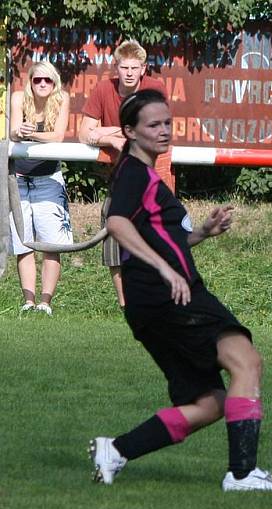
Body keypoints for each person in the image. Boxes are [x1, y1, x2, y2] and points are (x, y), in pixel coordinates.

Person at [89, 89, 272, 492]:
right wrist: (165, 269)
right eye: (153, 125)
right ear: (130, 131)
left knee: (210, 402)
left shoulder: (145, 174)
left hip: (153, 303)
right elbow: (118, 223)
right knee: (246, 361)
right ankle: (243, 475)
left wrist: (201, 234)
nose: (164, 131)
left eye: (167, 123)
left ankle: (117, 450)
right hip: (169, 296)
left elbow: (163, 239)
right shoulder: (135, 173)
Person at [79, 39, 169, 308]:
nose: (129, 72)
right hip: (118, 179)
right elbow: (84, 133)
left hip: (153, 178)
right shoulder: (103, 89)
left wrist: (104, 130)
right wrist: (112, 138)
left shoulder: (155, 88)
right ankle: (125, 304)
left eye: (134, 67)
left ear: (143, 69)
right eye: (124, 67)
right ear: (116, 68)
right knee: (113, 239)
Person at [8, 61, 72, 315]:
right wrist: (19, 131)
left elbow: (58, 136)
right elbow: (12, 132)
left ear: (54, 82)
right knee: (22, 243)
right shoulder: (17, 97)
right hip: (18, 178)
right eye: (37, 80)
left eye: (47, 80)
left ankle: (46, 303)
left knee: (52, 244)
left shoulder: (62, 99)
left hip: (49, 179)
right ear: (30, 82)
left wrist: (30, 133)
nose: (42, 84)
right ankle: (29, 301)